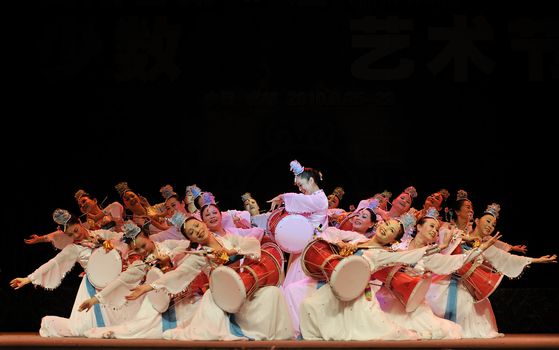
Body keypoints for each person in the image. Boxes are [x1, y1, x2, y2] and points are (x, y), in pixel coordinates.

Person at [129, 216, 293, 340]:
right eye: (192, 233)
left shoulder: (226, 239)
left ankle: (275, 336)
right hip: (223, 295)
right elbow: (179, 274)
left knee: (273, 292)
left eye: (197, 225)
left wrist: (233, 251)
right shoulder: (201, 255)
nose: (197, 231)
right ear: (191, 240)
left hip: (244, 286)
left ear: (203, 224)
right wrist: (148, 287)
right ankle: (240, 331)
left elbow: (250, 242)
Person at [426, 203, 557, 338]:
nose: (490, 226)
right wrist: (466, 238)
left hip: (465, 286)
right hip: (445, 281)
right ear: (476, 221)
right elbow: (444, 236)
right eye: (488, 221)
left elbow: (508, 258)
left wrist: (536, 260)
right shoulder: (459, 233)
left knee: (470, 319)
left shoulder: (486, 245)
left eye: (493, 225)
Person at [10, 209, 138, 337]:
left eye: (76, 230)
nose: (75, 236)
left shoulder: (101, 234)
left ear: (80, 223)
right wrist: (28, 279)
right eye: (70, 235)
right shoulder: (74, 248)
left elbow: (123, 238)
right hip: (95, 287)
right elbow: (54, 263)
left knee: (128, 319)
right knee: (84, 328)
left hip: (114, 281)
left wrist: (113, 244)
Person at [79, 219, 201, 339]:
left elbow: (186, 245)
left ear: (148, 237)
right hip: (158, 300)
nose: (142, 251)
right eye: (137, 249)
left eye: (143, 245)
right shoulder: (142, 264)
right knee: (142, 327)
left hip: (181, 294)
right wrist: (95, 299)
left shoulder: (167, 245)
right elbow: (121, 280)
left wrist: (169, 257)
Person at [267, 160, 329, 287]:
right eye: (298, 187)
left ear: (311, 181)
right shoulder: (314, 198)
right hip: (303, 243)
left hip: (312, 245)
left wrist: (283, 197)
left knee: (299, 282)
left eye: (301, 185)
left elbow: (300, 199)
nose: (300, 190)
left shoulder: (320, 198)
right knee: (293, 278)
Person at [24, 189, 125, 249]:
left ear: (94, 200)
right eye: (80, 205)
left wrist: (96, 217)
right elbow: (58, 234)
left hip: (124, 242)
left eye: (84, 201)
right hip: (108, 249)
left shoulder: (111, 211)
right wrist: (40, 239)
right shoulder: (83, 226)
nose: (83, 205)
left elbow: (117, 206)